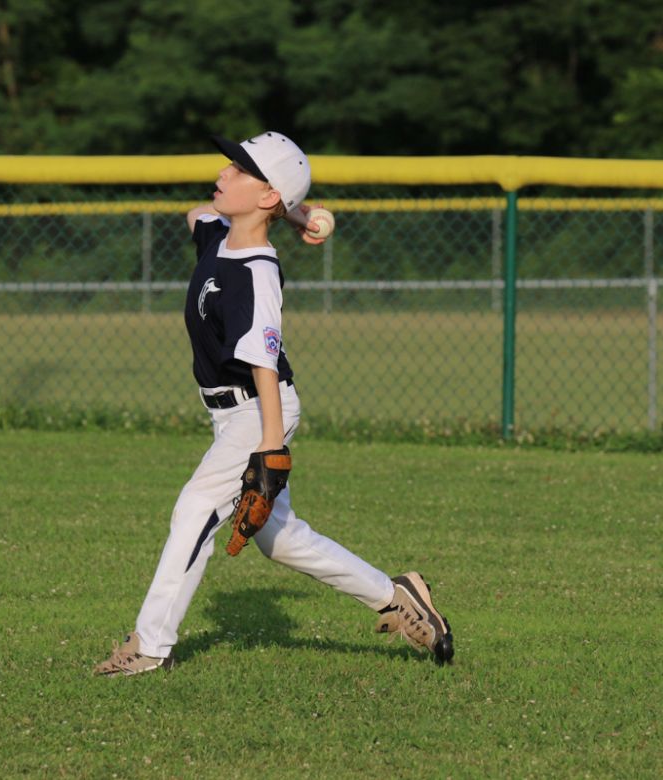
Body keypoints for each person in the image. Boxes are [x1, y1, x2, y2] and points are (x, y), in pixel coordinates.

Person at [94, 131, 453, 676]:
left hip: (258, 411)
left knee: (195, 508)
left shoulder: (256, 273)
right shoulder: (219, 237)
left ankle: (149, 646)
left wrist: (269, 448)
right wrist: (294, 212)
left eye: (240, 169)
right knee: (280, 540)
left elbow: (263, 363)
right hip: (230, 413)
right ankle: (395, 595)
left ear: (265, 195)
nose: (224, 173)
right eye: (231, 163)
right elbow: (194, 214)